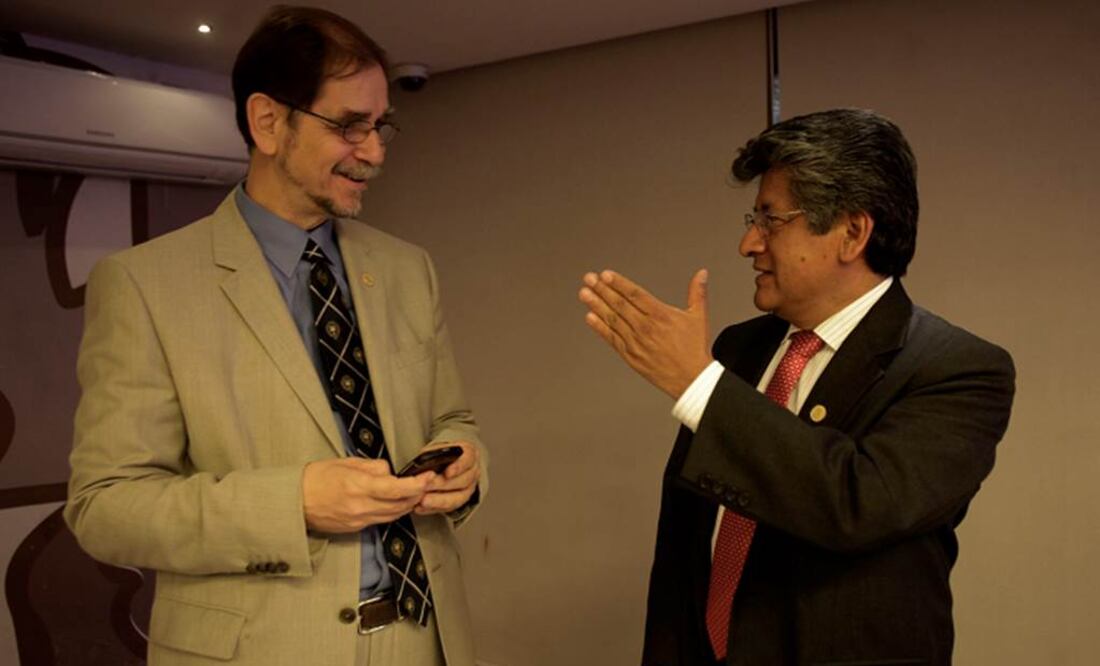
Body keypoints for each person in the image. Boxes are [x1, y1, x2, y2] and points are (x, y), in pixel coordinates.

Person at [64, 6, 486, 665]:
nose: (374, 153)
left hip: (425, 641)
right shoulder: (143, 285)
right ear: (267, 121)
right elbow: (106, 509)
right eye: (349, 126)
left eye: (381, 127)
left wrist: (466, 461)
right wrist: (294, 503)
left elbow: (452, 418)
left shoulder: (408, 268)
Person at [579, 108, 1014, 666]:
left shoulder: (959, 368)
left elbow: (856, 503)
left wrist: (700, 386)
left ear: (853, 232)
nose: (748, 244)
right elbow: (683, 556)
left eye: (771, 220)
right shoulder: (738, 349)